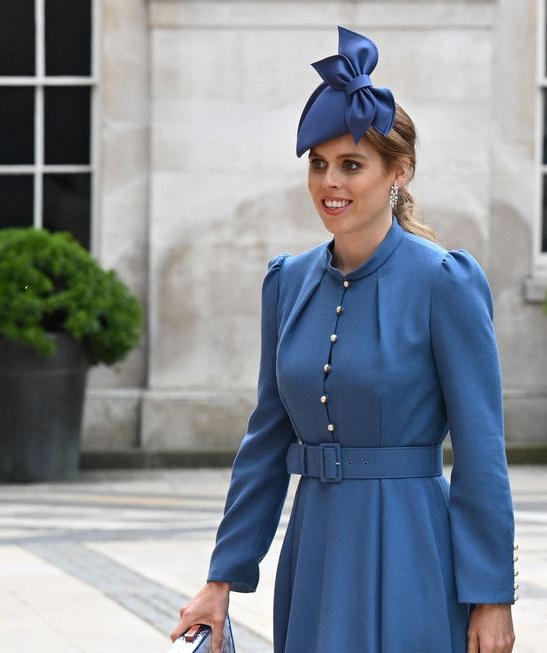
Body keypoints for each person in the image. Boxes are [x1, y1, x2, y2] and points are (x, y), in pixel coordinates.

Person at [171, 27, 517, 653]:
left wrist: (492, 597)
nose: (330, 182)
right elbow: (266, 439)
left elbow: (481, 448)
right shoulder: (287, 282)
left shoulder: (446, 282)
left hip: (414, 546)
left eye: (351, 164)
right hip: (316, 550)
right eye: (319, 164)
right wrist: (221, 579)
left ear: (399, 171)